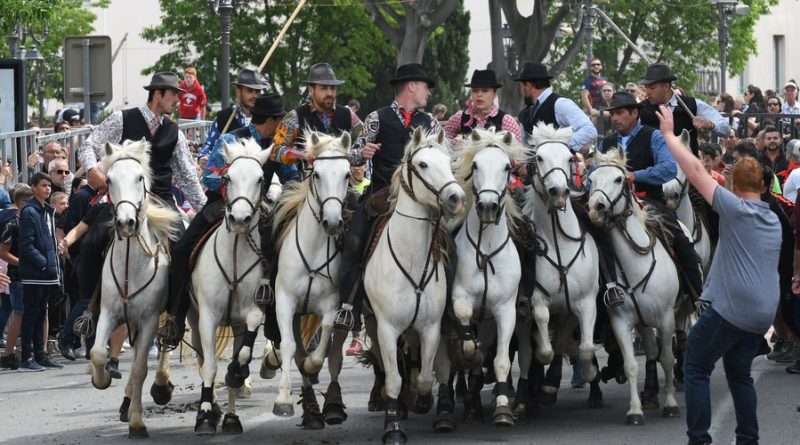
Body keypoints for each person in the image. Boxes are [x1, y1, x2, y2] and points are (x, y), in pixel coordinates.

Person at [656, 104, 780, 445]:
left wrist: (668, 134)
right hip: (762, 313)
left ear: (734, 187)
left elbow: (696, 171)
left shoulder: (735, 208)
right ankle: (748, 439)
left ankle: (699, 439)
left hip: (734, 309)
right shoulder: (772, 217)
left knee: (695, 366)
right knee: (739, 375)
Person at [159, 93, 297, 347]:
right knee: (181, 250)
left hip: (258, 209)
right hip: (221, 206)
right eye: (280, 121)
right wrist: (232, 188)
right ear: (272, 120)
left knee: (283, 252)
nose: (282, 127)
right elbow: (209, 178)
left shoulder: (274, 148)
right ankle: (176, 317)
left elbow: (292, 178)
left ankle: (275, 320)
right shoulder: (229, 140)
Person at [334, 63, 440, 330]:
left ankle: (446, 307)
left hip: (422, 198)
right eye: (425, 86)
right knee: (354, 242)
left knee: (450, 242)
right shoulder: (377, 118)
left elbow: (442, 156)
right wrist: (363, 153)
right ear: (411, 86)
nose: (428, 93)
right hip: (382, 195)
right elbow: (353, 153)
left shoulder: (430, 122)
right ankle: (348, 307)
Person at [270, 63, 362, 163]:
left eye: (333, 88)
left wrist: (351, 154)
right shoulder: (294, 117)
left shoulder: (349, 115)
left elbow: (365, 142)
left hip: (342, 176)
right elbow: (275, 150)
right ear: (311, 90)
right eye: (324, 88)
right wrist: (302, 155)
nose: (330, 93)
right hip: (306, 176)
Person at [17, 173, 63, 371]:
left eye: (49, 186)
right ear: (33, 187)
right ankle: (26, 357)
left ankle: (40, 354)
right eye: (43, 185)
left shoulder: (46, 211)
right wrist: (44, 263)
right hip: (35, 273)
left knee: (41, 313)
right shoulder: (29, 212)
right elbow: (26, 245)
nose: (47, 189)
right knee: (31, 314)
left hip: (47, 273)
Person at [638, 64, 729, 155]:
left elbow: (726, 128)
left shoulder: (692, 105)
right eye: (646, 87)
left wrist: (710, 124)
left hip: (686, 167)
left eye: (652, 88)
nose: (648, 92)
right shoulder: (640, 110)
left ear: (666, 86)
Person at [516, 62, 597, 152]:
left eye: (521, 86)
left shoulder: (560, 104)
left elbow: (589, 130)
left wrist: (563, 148)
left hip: (561, 165)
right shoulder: (524, 115)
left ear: (528, 85)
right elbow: (524, 149)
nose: (521, 91)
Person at [443, 69, 522, 148]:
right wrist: (454, 144)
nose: (479, 95)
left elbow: (518, 151)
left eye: (485, 90)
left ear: (495, 93)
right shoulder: (460, 117)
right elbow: (444, 139)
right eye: (475, 91)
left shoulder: (506, 121)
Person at [0, 185, 34, 370]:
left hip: (31, 274)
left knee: (36, 312)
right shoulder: (12, 222)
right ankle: (8, 354)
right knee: (18, 312)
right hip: (17, 274)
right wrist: (22, 264)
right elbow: (3, 251)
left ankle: (36, 352)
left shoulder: (31, 221)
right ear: (22, 202)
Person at [199, 69, 268, 158]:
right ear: (238, 92)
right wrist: (204, 158)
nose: (255, 96)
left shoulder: (267, 119)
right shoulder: (223, 117)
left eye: (258, 91)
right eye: (250, 91)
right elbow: (208, 148)